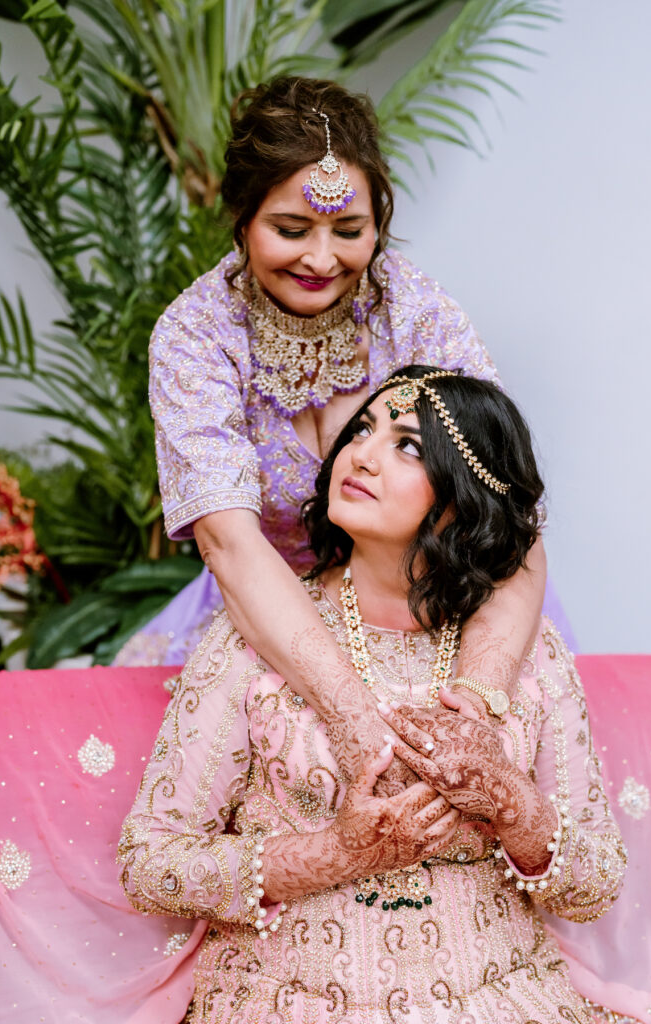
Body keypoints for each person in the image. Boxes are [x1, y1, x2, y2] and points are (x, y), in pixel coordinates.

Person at [119, 366, 626, 1024]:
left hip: (503, 999)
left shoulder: (529, 657)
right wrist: (336, 853)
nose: (359, 454)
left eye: (407, 446)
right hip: (289, 1004)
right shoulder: (252, 644)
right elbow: (149, 864)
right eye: (362, 429)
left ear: (462, 497)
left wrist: (511, 804)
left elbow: (596, 884)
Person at [116, 75, 561, 786]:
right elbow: (229, 541)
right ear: (240, 217)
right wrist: (353, 714)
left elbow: (507, 507)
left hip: (443, 605)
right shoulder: (196, 337)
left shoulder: (412, 310)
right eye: (290, 230)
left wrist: (475, 699)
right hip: (273, 616)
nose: (321, 259)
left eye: (349, 232)